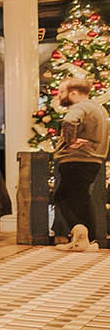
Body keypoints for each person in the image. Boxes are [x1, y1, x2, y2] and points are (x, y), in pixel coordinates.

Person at [52, 77, 108, 249]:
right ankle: (88, 241)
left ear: (74, 93)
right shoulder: (100, 109)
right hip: (94, 160)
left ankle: (80, 232)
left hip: (76, 159)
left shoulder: (80, 107)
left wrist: (69, 141)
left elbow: (70, 121)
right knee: (82, 199)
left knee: (61, 197)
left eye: (61, 91)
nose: (59, 95)